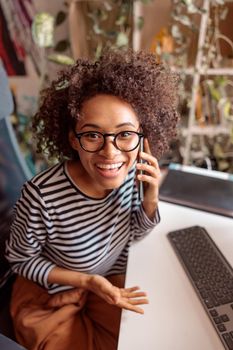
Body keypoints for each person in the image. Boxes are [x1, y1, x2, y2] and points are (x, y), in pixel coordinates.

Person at [5, 49, 179, 350]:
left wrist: (150, 200)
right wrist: (86, 281)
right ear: (74, 139)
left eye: (125, 134)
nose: (110, 153)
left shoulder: (129, 176)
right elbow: (20, 261)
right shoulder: (41, 196)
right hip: (50, 296)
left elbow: (133, 234)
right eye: (93, 135)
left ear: (142, 137)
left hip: (108, 283)